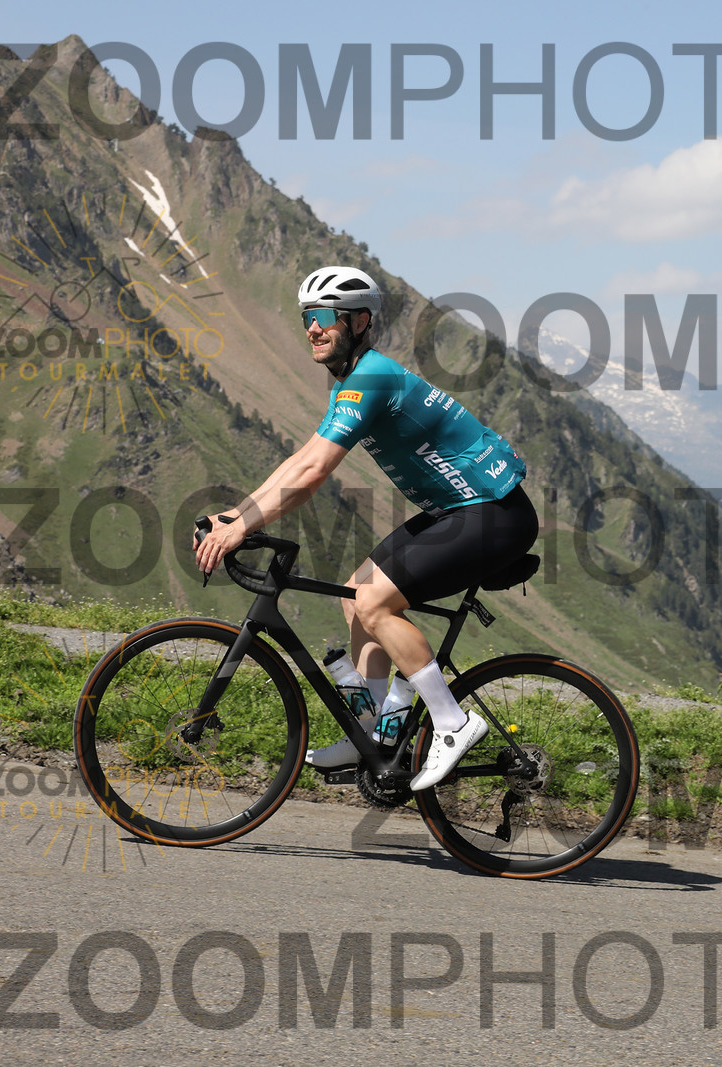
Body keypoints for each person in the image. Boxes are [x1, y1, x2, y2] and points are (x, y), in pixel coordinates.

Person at [193, 266, 539, 790]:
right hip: (460, 511)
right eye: (307, 318)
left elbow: (313, 474)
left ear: (358, 322)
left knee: (375, 602)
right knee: (356, 595)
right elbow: (301, 458)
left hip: (493, 513)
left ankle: (452, 722)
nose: (313, 328)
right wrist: (238, 516)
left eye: (325, 316)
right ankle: (376, 735)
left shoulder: (373, 379)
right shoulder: (354, 382)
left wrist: (241, 527)